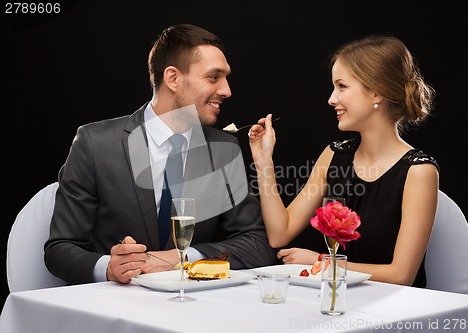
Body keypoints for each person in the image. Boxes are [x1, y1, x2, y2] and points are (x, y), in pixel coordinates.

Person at [44, 23, 276, 285]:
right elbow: (59, 249)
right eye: (214, 77)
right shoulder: (94, 143)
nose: (226, 90)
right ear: (173, 78)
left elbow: (256, 243)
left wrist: (182, 259)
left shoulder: (224, 149)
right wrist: (110, 267)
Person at [249, 35, 439, 287]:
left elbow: (401, 276)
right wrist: (263, 162)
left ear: (376, 92)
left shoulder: (419, 171)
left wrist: (321, 261)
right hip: (336, 301)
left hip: (393, 311)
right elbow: (279, 233)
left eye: (342, 86)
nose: (331, 98)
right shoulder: (334, 155)